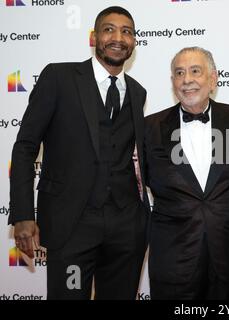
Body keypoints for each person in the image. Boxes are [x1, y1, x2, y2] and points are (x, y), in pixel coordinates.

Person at [9, 6, 149, 300]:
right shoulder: (59, 77)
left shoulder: (138, 92)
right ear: (94, 37)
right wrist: (23, 214)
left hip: (125, 229)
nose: (118, 38)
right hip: (72, 226)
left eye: (127, 31)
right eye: (109, 29)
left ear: (134, 42)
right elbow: (24, 148)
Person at [144, 47, 229, 299]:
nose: (187, 79)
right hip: (173, 261)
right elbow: (140, 183)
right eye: (179, 73)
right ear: (173, 82)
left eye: (195, 71)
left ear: (213, 79)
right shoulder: (150, 127)